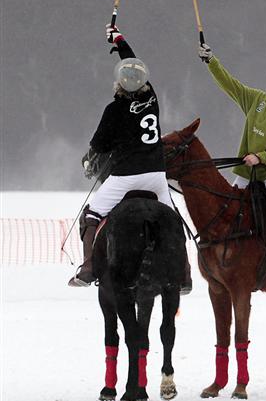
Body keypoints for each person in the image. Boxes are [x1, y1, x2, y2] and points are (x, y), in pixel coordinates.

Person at [70, 25, 187, 289]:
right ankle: (184, 271)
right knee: (172, 218)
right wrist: (119, 40)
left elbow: (99, 145)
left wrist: (94, 154)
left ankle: (88, 267)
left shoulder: (114, 109)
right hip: (156, 175)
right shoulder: (152, 98)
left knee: (92, 214)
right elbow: (133, 64)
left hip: (125, 177)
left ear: (119, 83)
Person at [199, 43, 266, 274]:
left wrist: (261, 157)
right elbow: (230, 84)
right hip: (247, 171)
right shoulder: (258, 100)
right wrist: (211, 61)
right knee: (226, 206)